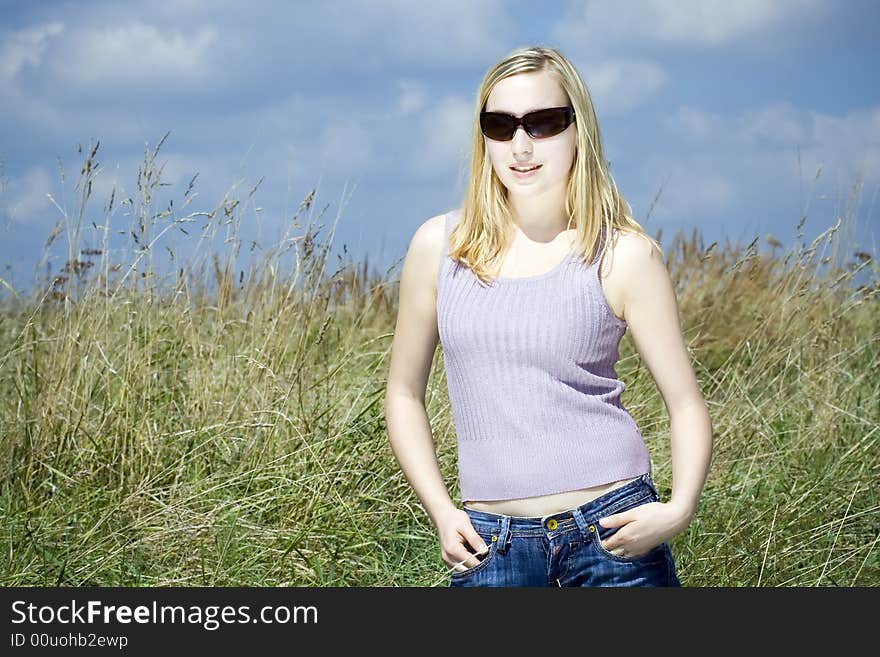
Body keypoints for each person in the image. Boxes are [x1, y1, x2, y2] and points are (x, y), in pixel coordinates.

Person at [383, 45, 713, 587]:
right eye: (501, 125)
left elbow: (685, 404)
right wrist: (442, 512)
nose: (520, 145)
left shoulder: (624, 255)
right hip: (490, 543)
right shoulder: (439, 248)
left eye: (544, 123)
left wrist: (678, 509)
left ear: (578, 128)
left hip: (611, 534)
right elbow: (402, 394)